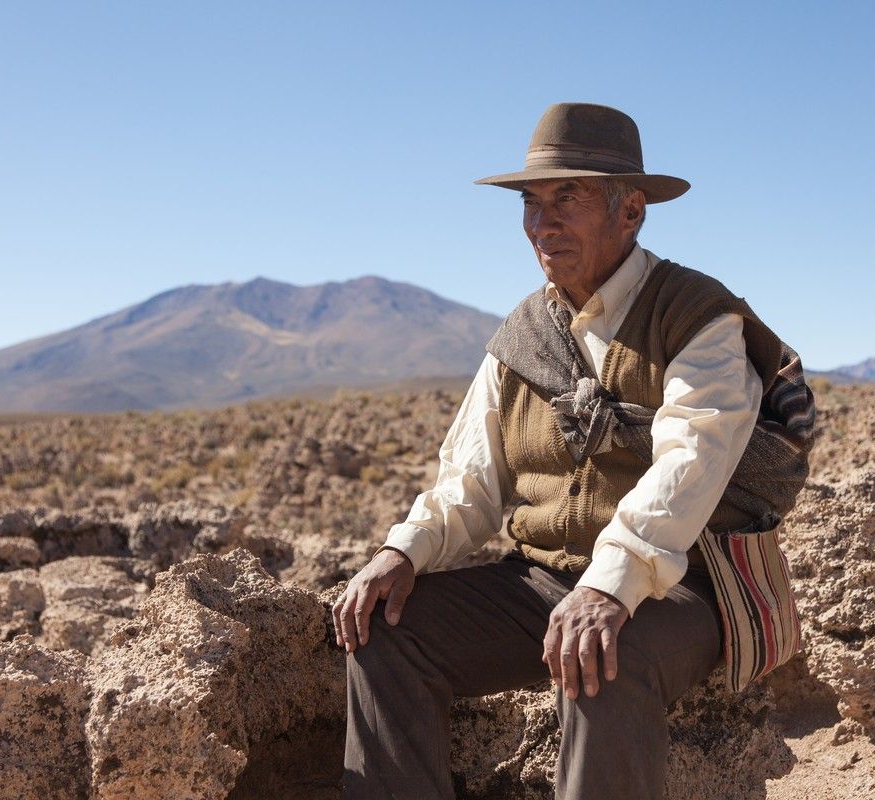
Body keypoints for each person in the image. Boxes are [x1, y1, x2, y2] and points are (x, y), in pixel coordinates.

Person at [333, 102, 812, 800]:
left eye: (568, 198)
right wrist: (403, 551)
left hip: (682, 584)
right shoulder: (522, 336)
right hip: (543, 580)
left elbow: (690, 460)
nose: (542, 223)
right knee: (384, 632)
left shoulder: (698, 317)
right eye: (531, 204)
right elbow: (469, 479)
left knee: (601, 656)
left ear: (632, 211)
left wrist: (610, 586)